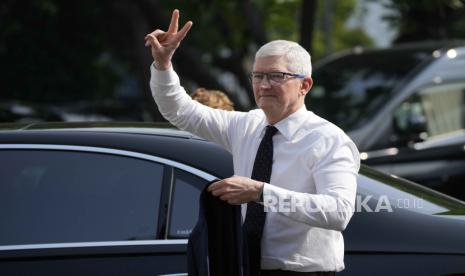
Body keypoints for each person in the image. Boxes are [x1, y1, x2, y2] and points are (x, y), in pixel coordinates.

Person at [145, 9, 360, 275]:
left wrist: (262, 193)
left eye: (276, 76)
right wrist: (163, 65)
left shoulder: (328, 139)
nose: (264, 85)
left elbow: (338, 212)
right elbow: (180, 110)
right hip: (246, 267)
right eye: (258, 76)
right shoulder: (247, 124)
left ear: (304, 85)